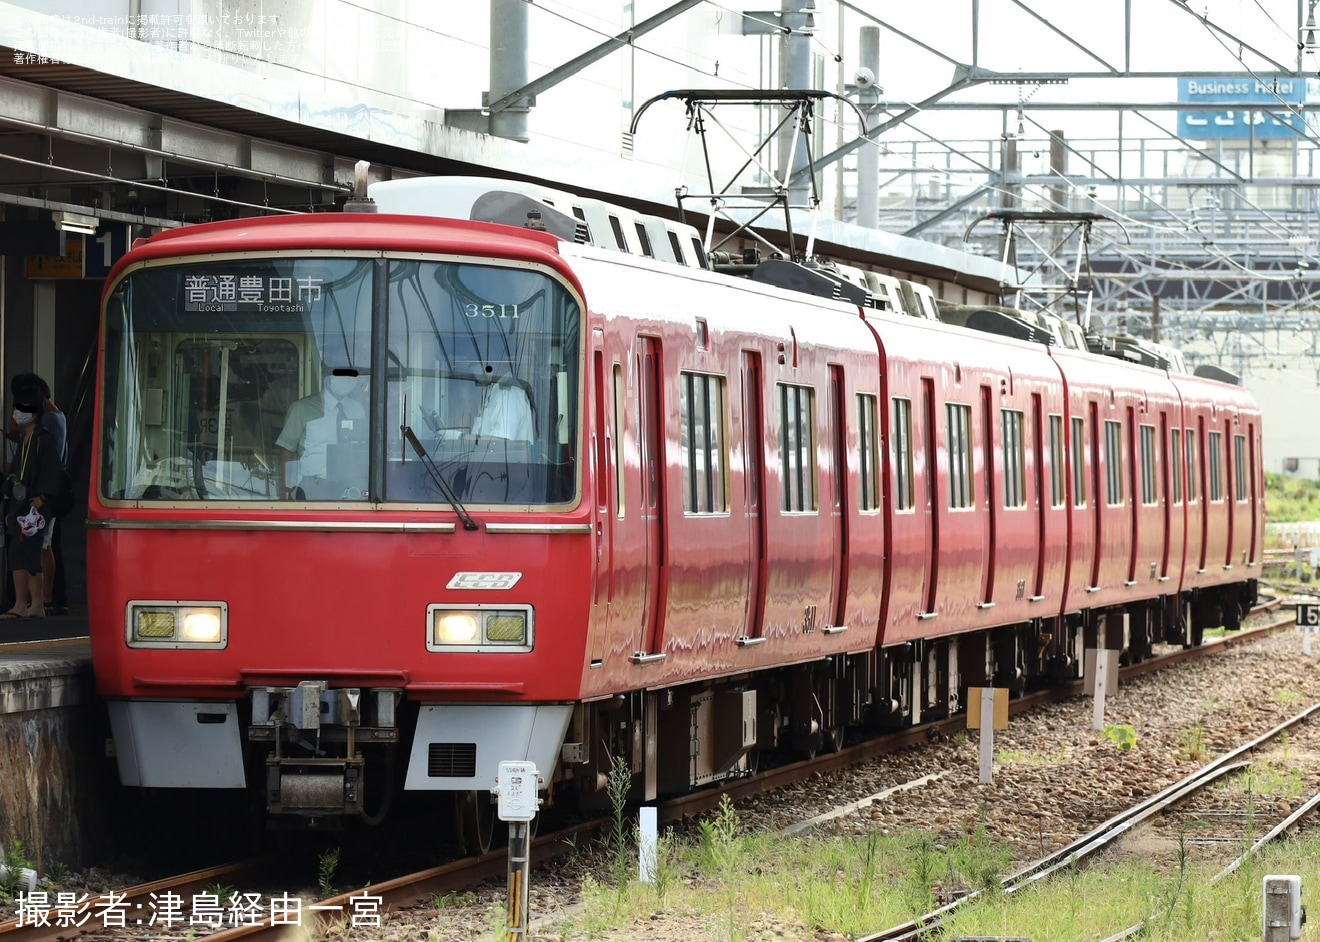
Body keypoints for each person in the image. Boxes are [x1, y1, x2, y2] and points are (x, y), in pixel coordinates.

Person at [6, 374, 66, 615]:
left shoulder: (44, 435)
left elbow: (53, 470)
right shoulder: (30, 437)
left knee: (31, 551)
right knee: (27, 551)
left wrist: (43, 497)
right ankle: (30, 604)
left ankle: (32, 603)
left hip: (35, 504)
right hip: (25, 503)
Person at [275, 365, 368, 499]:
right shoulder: (302, 408)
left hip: (352, 486)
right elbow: (287, 454)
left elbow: (362, 449)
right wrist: (285, 495)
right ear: (327, 378)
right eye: (341, 376)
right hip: (313, 486)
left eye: (350, 377)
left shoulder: (357, 409)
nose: (346, 380)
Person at [469, 364, 535, 444]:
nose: (480, 366)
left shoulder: (508, 395)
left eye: (485, 361)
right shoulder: (494, 392)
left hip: (503, 456)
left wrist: (464, 438)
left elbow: (501, 442)